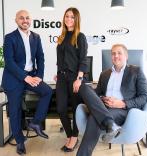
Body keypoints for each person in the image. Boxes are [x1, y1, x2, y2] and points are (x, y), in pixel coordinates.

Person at [76, 44, 147, 156]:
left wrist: (122, 103)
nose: (116, 56)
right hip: (104, 107)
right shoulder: (104, 74)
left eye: (119, 53)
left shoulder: (136, 71)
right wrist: (102, 98)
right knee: (83, 87)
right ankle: (110, 124)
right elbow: (97, 93)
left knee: (93, 117)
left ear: (126, 56)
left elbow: (144, 97)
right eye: (113, 53)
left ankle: (109, 124)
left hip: (123, 110)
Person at [1, 10, 52, 155]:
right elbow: (9, 62)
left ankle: (35, 123)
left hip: (31, 76)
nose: (25, 20)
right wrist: (25, 77)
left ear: (31, 20)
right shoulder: (10, 38)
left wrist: (40, 76)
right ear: (16, 20)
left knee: (47, 91)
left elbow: (40, 58)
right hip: (14, 78)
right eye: (21, 18)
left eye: (27, 18)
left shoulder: (36, 37)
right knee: (15, 109)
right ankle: (20, 142)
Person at [55, 7, 88, 152]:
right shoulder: (61, 37)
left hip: (74, 77)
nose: (69, 19)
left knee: (75, 109)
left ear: (76, 19)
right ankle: (70, 135)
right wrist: (58, 72)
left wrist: (79, 79)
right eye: (67, 16)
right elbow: (61, 59)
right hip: (62, 77)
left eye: (72, 17)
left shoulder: (80, 37)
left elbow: (83, 60)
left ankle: (74, 138)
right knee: (61, 108)